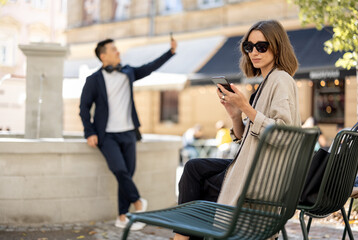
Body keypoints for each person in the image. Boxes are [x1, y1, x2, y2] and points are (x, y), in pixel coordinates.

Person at [174, 19, 301, 240]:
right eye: (249, 47)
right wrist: (235, 115)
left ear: (277, 46)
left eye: (262, 46)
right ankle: (185, 236)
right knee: (195, 168)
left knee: (195, 177)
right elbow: (249, 138)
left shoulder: (280, 80)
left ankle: (182, 237)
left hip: (262, 177)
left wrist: (245, 107)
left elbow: (283, 135)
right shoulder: (267, 82)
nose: (254, 52)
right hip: (254, 167)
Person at [79, 37, 177, 230]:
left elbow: (150, 67)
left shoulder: (128, 72)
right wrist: (89, 132)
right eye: (113, 49)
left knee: (127, 175)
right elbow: (84, 107)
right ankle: (138, 203)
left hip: (129, 133)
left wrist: (170, 52)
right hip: (107, 135)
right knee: (120, 170)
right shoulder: (93, 80)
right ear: (103, 55)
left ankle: (122, 217)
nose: (118, 52)